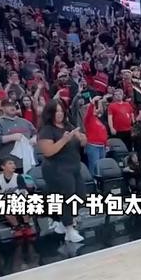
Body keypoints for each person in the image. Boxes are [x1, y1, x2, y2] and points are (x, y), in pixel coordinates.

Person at [38, 100, 87, 243]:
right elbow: (48, 151)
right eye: (56, 111)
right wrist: (64, 140)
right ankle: (69, 230)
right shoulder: (46, 130)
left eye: (61, 111)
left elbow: (81, 144)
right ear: (50, 113)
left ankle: (61, 222)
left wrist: (82, 139)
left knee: (81, 196)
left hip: (73, 167)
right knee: (67, 199)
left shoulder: (68, 125)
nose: (59, 114)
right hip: (57, 170)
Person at [0, 157, 35, 238]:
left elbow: (23, 192)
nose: (13, 165)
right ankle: (16, 227)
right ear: (3, 167)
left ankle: (26, 225)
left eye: (14, 163)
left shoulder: (18, 177)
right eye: (10, 163)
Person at [83, 96, 108, 176]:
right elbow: (89, 112)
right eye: (93, 108)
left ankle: (101, 182)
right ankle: (93, 182)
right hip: (93, 146)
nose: (95, 109)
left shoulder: (97, 119)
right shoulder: (88, 119)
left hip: (102, 147)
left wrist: (106, 144)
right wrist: (93, 102)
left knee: (101, 167)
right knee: (94, 167)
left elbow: (103, 133)